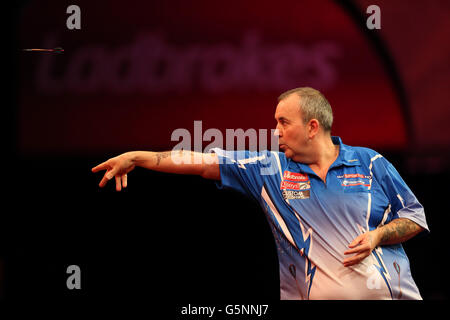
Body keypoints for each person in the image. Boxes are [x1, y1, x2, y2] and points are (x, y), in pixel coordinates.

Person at [92, 87, 429, 300]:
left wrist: (378, 236)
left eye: (284, 122)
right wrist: (139, 157)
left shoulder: (371, 163)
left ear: (313, 127)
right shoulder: (269, 169)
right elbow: (200, 161)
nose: (275, 131)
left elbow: (414, 218)